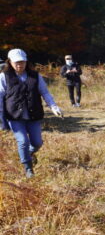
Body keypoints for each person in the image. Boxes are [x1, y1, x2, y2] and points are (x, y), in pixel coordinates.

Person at [0, 48, 63, 178]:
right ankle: (28, 167)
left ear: (26, 62)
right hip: (14, 116)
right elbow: (0, 96)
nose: (20, 65)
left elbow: (45, 92)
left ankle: (29, 153)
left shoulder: (35, 76)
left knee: (37, 143)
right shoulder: (4, 77)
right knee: (22, 141)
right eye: (17, 62)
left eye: (22, 62)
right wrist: (1, 117)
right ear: (10, 62)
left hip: (33, 115)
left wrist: (53, 107)